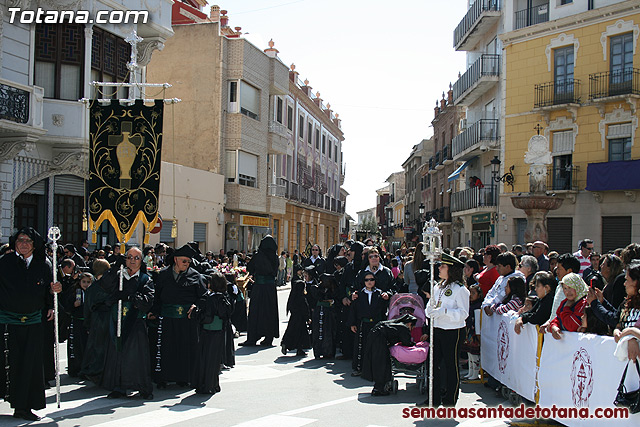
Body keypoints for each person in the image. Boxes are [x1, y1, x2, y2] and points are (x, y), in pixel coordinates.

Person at [0, 227, 60, 421]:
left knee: (29, 366)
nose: (23, 244)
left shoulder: (44, 264)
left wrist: (53, 296)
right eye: (20, 240)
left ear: (35, 245)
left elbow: (50, 289)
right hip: (7, 322)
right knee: (6, 364)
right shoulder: (5, 262)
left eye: (28, 240)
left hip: (33, 322)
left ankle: (23, 407)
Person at [100, 247, 155, 399]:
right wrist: (114, 268)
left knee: (137, 356)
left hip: (135, 323)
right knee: (118, 354)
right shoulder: (118, 276)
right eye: (129, 257)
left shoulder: (145, 279)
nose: (132, 260)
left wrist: (131, 297)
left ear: (141, 260)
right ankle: (119, 386)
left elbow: (148, 302)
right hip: (117, 321)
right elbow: (103, 285)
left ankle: (142, 387)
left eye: (136, 258)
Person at [150, 244, 207, 388]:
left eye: (188, 262)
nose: (186, 264)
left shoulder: (195, 276)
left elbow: (204, 296)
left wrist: (196, 306)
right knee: (166, 348)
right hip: (167, 317)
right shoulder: (163, 275)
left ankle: (184, 377)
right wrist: (154, 311)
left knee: (185, 349)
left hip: (186, 320)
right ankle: (163, 378)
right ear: (175, 260)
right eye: (184, 261)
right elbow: (157, 296)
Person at [422, 253, 470, 407]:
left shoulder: (460, 289)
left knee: (451, 365)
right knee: (433, 365)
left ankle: (450, 400)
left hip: (452, 330)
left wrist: (444, 312)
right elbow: (431, 303)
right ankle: (433, 398)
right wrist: (428, 311)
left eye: (443, 266)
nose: (439, 268)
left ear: (451, 269)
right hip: (437, 328)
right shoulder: (438, 286)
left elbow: (463, 314)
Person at [191, 271, 233, 395]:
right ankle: (213, 384)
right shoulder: (225, 297)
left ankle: (205, 385)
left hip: (208, 331)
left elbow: (205, 315)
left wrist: (196, 312)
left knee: (205, 359)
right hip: (220, 332)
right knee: (215, 360)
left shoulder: (209, 298)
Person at [361, 313, 417, 396]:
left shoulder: (394, 324)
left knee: (378, 362)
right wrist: (415, 345)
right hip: (379, 340)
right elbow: (406, 342)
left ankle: (381, 385)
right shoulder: (404, 328)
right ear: (409, 324)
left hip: (374, 336)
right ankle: (379, 389)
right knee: (382, 363)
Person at [241, 235, 279, 347]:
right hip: (270, 288)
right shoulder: (275, 257)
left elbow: (250, 268)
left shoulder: (258, 256)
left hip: (259, 287)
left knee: (255, 312)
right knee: (269, 312)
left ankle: (252, 338)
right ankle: (268, 338)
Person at [348, 271, 388, 376]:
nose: (369, 282)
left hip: (376, 324)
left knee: (375, 347)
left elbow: (384, 310)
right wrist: (352, 323)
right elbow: (353, 310)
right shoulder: (358, 294)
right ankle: (359, 368)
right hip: (363, 324)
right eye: (367, 280)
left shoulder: (380, 293)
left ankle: (375, 369)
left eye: (372, 279)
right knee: (361, 346)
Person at [80, 258, 111, 382]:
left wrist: (87, 324)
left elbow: (87, 308)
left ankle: (94, 371)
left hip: (97, 320)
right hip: (109, 318)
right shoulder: (112, 284)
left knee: (96, 347)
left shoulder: (93, 288)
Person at [587, 261, 640, 333]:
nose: (624, 284)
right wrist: (602, 302)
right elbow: (616, 318)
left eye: (627, 280)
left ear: (636, 282)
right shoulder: (628, 302)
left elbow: (613, 320)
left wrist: (595, 303)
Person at [61, 272, 93, 378]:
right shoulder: (75, 292)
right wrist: (73, 305)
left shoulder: (92, 293)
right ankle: (76, 368)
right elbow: (67, 306)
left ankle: (87, 368)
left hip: (88, 322)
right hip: (76, 321)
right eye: (83, 282)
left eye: (88, 282)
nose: (86, 284)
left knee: (87, 346)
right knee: (76, 345)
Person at [541, 273, 588, 340]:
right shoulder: (565, 302)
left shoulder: (584, 303)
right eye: (565, 288)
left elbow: (571, 326)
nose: (567, 292)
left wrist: (566, 308)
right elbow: (557, 318)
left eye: (570, 288)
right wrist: (554, 327)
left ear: (577, 286)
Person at [309, 273, 338, 359]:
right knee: (318, 331)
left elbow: (335, 299)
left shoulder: (333, 289)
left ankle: (328, 352)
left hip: (329, 313)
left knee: (328, 331)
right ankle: (318, 351)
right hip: (319, 312)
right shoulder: (317, 288)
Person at [281, 278, 311, 357]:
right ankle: (299, 349)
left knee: (290, 332)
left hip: (293, 319)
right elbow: (305, 309)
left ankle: (285, 343)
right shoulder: (302, 298)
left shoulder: (293, 298)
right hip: (301, 320)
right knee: (301, 335)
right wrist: (307, 318)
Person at [463, 284, 482, 379]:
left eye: (473, 293)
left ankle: (475, 373)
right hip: (468, 331)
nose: (470, 295)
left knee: (474, 354)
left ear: (479, 294)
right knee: (469, 353)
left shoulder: (479, 305)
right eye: (469, 292)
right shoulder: (468, 304)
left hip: (475, 332)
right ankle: (470, 372)